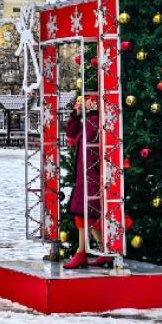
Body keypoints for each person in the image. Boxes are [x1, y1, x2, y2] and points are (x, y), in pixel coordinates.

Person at [62, 94, 111, 270]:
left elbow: (92, 136)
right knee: (84, 215)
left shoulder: (98, 122)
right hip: (84, 177)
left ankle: (83, 252)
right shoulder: (87, 123)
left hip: (93, 177)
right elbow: (72, 133)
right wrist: (76, 115)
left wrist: (91, 113)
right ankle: (103, 250)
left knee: (85, 214)